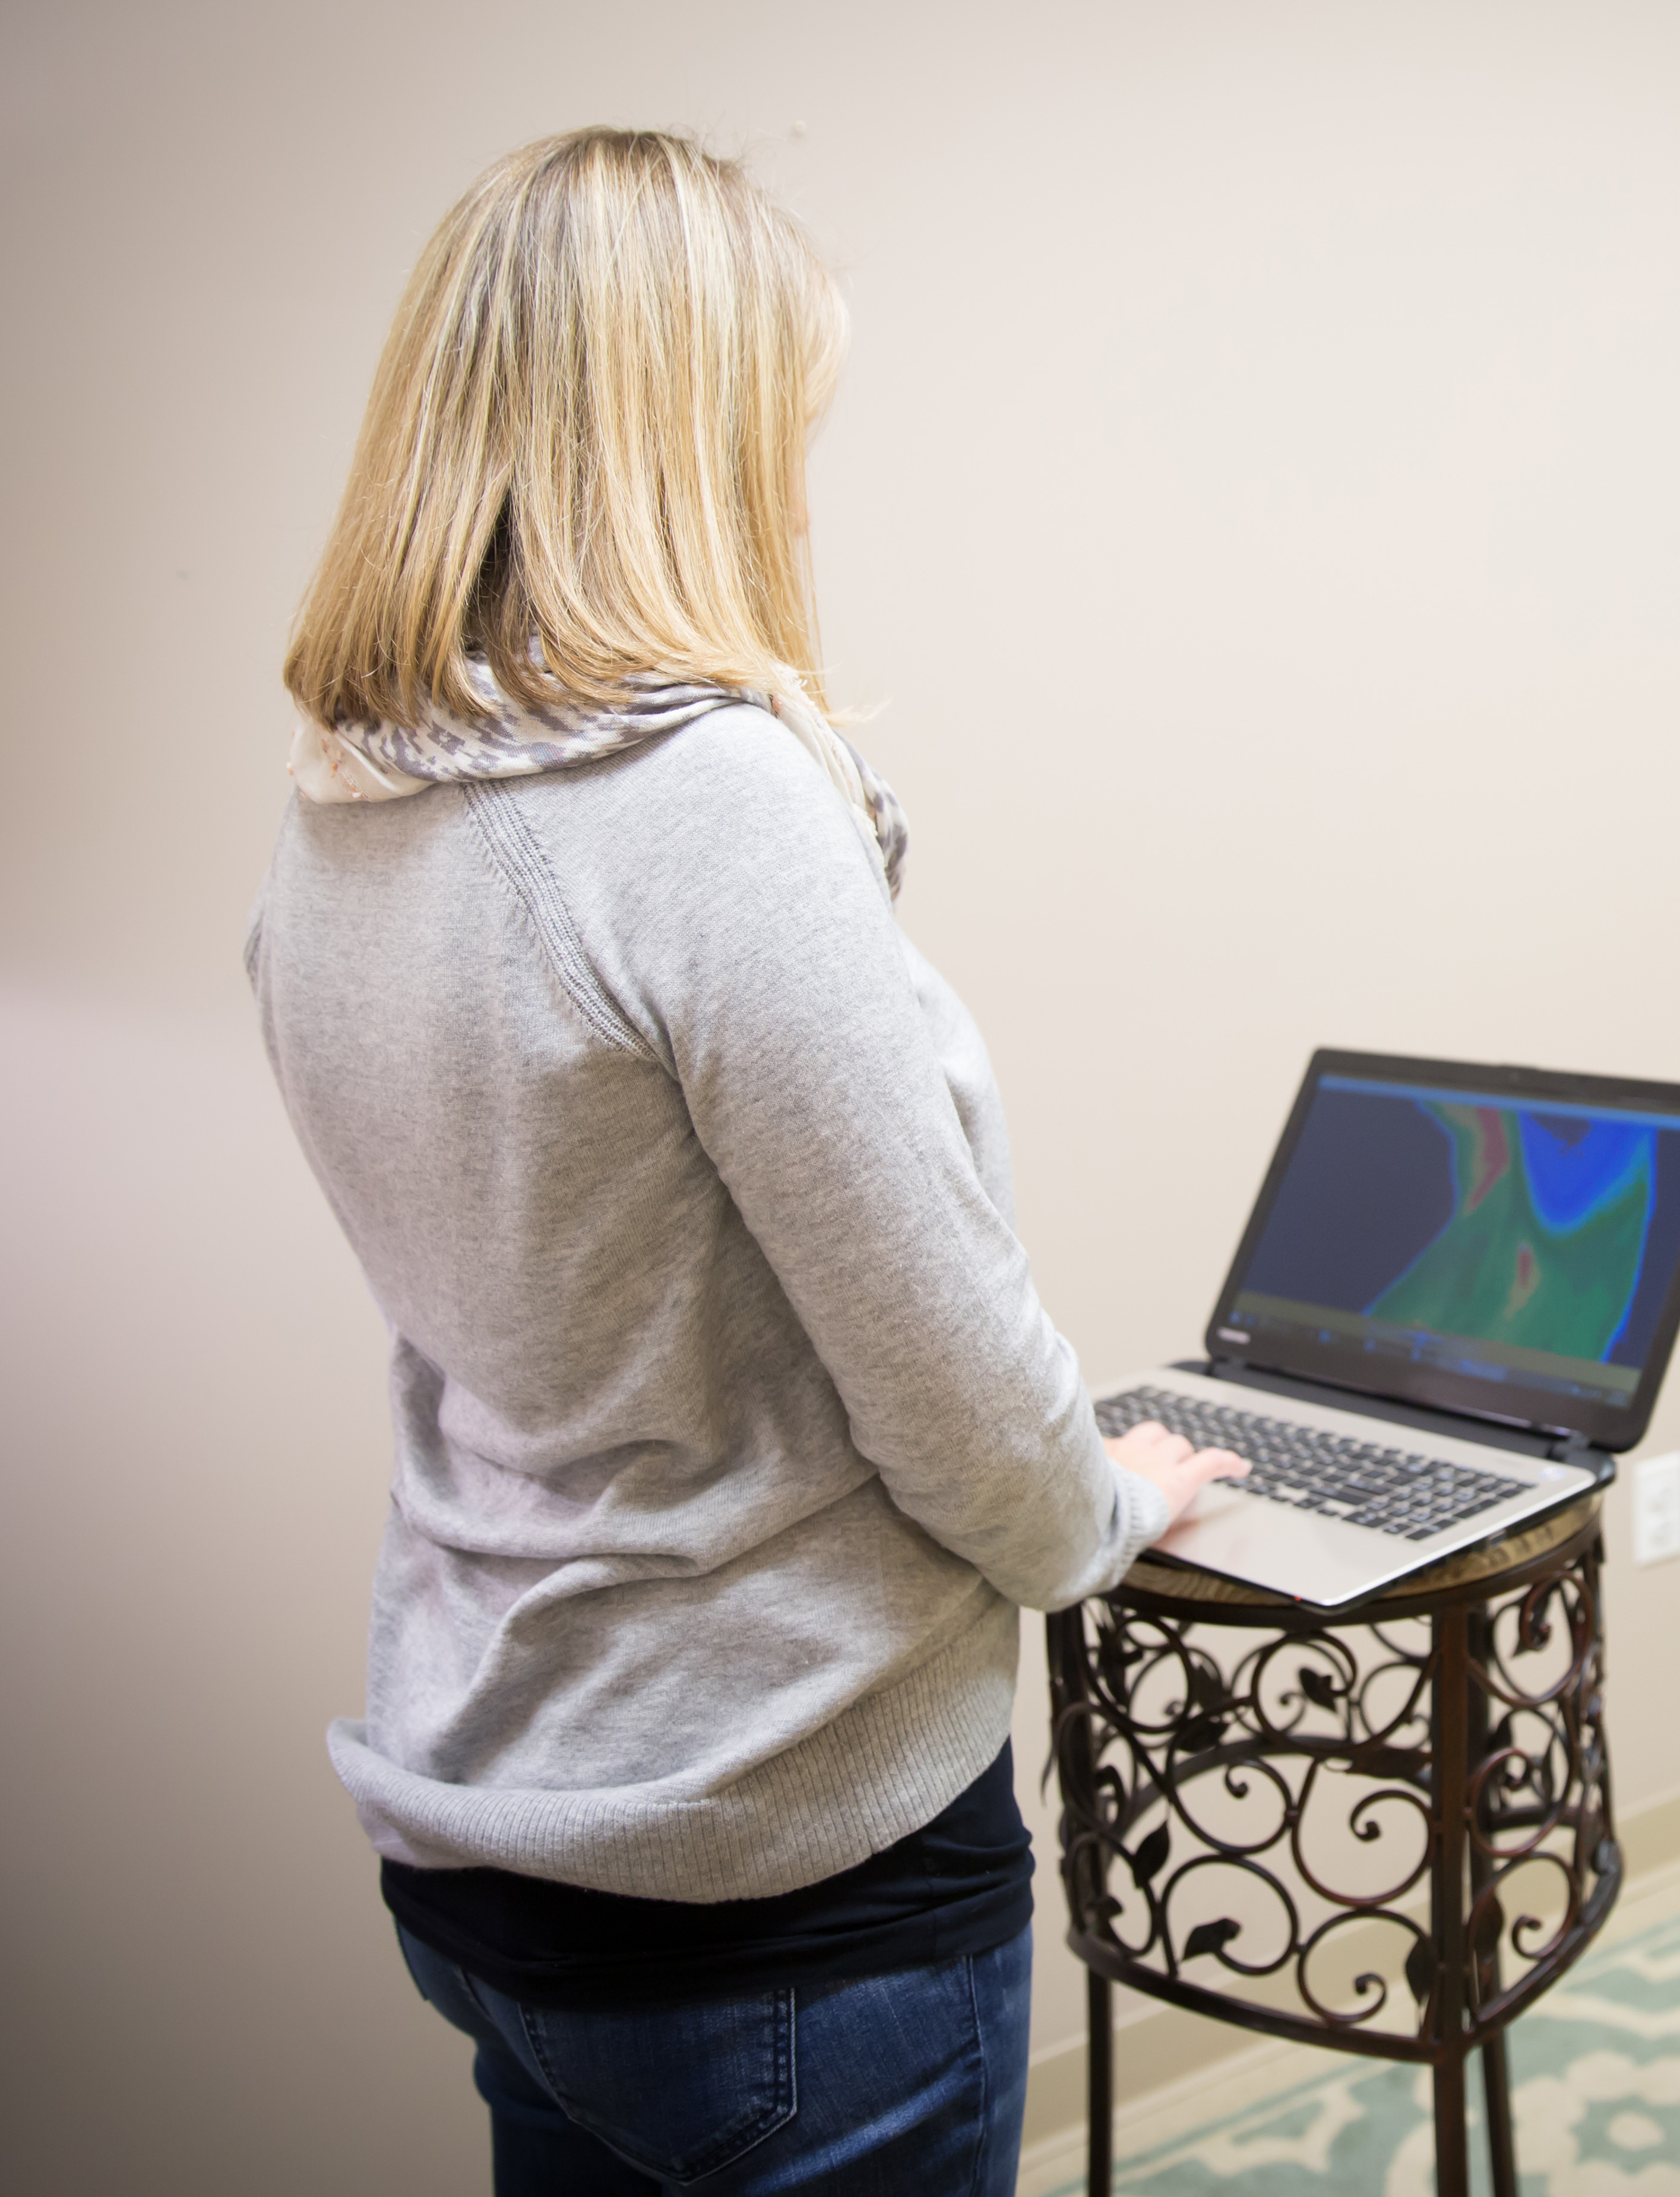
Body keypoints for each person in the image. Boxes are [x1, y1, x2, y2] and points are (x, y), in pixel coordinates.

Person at [251, 128, 1246, 2192]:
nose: (796, 478)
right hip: (775, 1883)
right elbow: (944, 1370)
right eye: (785, 420)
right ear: (690, 435)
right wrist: (1097, 1509)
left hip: (495, 1833)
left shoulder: (342, 804)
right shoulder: (704, 797)